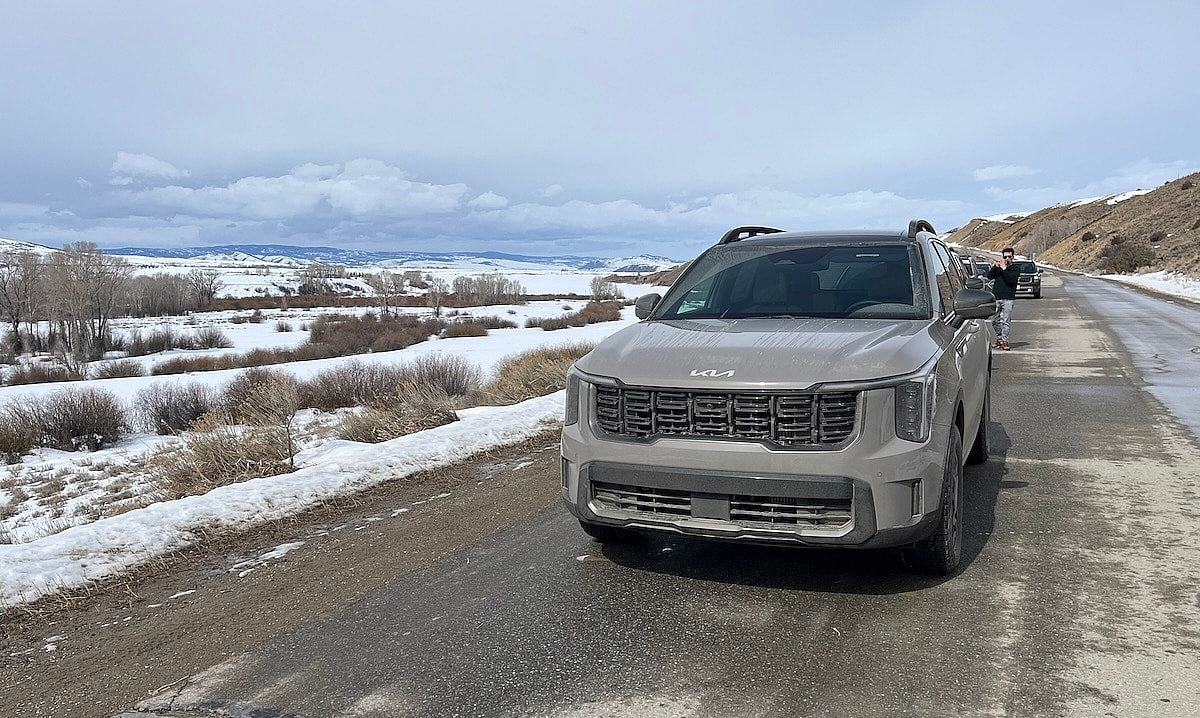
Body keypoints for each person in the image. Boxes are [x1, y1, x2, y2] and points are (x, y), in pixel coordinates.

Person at [986, 247, 1021, 350]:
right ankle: (1000, 338)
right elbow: (989, 276)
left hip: (1008, 298)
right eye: (1005, 257)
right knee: (994, 320)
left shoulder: (1015, 269)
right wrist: (995, 267)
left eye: (1009, 257)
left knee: (1006, 320)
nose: (1006, 259)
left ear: (1013, 257)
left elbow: (1011, 280)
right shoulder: (999, 268)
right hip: (996, 297)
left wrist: (1004, 269)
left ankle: (1004, 341)